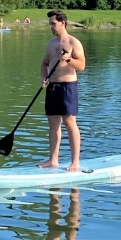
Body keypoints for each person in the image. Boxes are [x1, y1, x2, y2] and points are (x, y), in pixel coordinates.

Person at [38, 10, 86, 171]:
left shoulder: (74, 43)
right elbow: (44, 64)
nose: (51, 26)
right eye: (50, 23)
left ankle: (75, 162)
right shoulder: (51, 44)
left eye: (53, 23)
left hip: (68, 87)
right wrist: (43, 78)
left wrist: (69, 59)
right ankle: (53, 160)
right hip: (52, 87)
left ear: (62, 23)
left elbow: (82, 66)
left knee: (70, 123)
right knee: (53, 124)